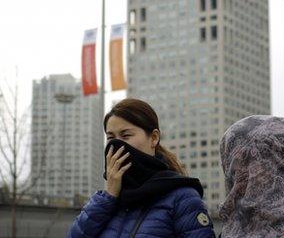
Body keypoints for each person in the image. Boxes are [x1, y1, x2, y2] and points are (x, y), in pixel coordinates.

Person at [68, 98, 215, 238]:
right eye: (111, 138)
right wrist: (109, 196)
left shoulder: (182, 198)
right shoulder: (107, 201)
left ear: (153, 138)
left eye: (126, 136)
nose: (117, 145)